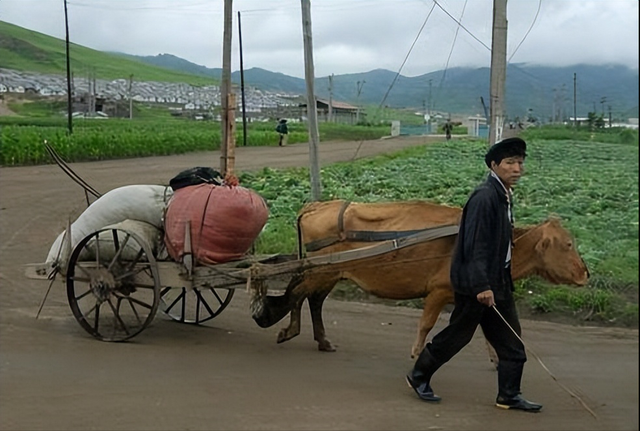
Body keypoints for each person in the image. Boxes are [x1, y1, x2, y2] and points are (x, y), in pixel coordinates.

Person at [406, 137, 542, 413]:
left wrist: (498, 281)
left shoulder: (503, 194)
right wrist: (482, 285)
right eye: (510, 163)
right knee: (457, 336)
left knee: (511, 340)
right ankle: (418, 376)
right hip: (477, 285)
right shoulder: (484, 197)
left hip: (498, 281)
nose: (517, 168)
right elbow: (475, 245)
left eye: (520, 163)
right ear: (494, 165)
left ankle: (509, 395)